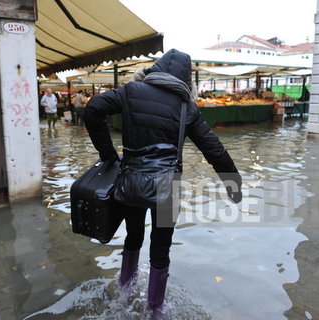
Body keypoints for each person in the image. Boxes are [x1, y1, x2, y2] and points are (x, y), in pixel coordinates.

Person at [84, 49, 242, 317]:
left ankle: (125, 292)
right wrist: (233, 184)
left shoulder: (130, 91)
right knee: (161, 247)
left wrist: (109, 155)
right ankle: (156, 308)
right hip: (169, 188)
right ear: (186, 79)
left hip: (131, 180)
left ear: (155, 69)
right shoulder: (185, 107)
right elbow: (213, 148)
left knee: (133, 237)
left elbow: (92, 110)